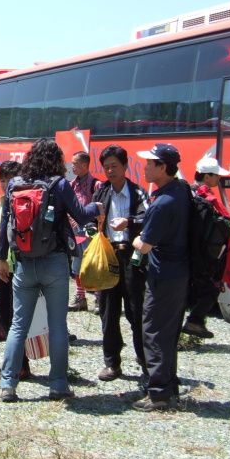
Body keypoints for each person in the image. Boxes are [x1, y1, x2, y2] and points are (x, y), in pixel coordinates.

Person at [0, 139, 103, 402]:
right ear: (56, 160)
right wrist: (97, 207)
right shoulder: (59, 184)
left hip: (24, 263)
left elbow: (4, 226)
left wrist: (1, 259)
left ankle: (8, 385)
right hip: (54, 261)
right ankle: (57, 385)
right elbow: (80, 214)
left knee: (19, 325)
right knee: (57, 325)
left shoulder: (15, 184)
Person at [132, 144, 190, 412]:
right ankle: (169, 387)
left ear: (162, 167)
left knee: (153, 332)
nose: (144, 167)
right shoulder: (181, 191)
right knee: (168, 333)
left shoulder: (163, 203)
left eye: (149, 163)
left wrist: (134, 239)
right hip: (180, 273)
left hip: (163, 276)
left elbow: (144, 246)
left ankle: (159, 395)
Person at [92, 145, 149, 381]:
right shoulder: (101, 192)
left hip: (132, 258)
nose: (110, 171)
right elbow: (90, 218)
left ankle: (146, 363)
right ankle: (112, 363)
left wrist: (130, 222)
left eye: (114, 166)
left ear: (125, 166)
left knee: (137, 311)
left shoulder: (138, 193)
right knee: (108, 311)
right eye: (106, 167)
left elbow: (149, 216)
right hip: (107, 255)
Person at [182, 156, 230, 339]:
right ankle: (194, 322)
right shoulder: (204, 200)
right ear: (207, 177)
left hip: (183, 253)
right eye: (216, 176)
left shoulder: (186, 192)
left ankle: (188, 326)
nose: (218, 179)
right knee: (210, 289)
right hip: (198, 256)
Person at [0, 160, 30, 378]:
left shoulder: (21, 202)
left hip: (18, 268)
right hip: (4, 267)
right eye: (2, 180)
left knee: (16, 318)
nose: (5, 184)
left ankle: (19, 364)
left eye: (9, 180)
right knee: (5, 315)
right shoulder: (2, 202)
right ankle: (18, 362)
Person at [68, 151, 97, 312]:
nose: (72, 166)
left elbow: (100, 206)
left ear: (85, 165)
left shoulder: (96, 184)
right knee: (77, 264)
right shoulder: (71, 185)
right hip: (76, 231)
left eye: (75, 163)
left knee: (93, 263)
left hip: (90, 231)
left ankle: (99, 297)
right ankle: (81, 298)